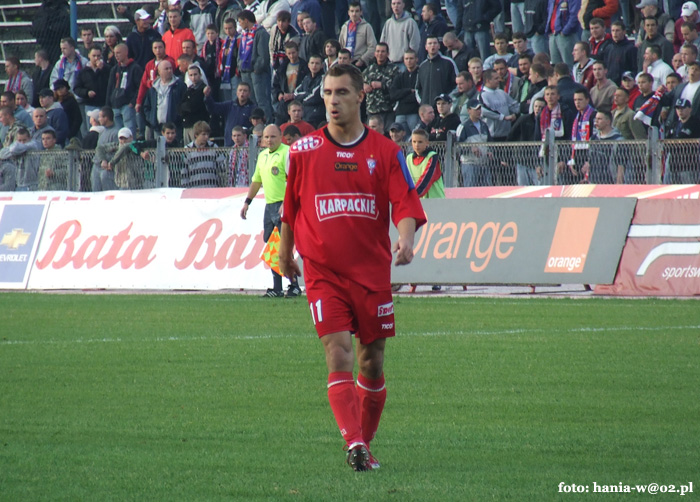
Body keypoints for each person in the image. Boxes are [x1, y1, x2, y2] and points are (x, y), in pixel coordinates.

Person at [277, 64, 426, 471]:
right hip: (323, 272)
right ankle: (354, 444)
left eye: (341, 92)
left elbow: (405, 203)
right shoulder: (303, 151)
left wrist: (406, 239)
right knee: (338, 352)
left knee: (371, 361)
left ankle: (364, 443)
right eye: (327, 93)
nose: (333, 100)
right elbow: (290, 208)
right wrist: (285, 254)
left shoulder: (386, 151)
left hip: (372, 273)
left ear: (360, 96)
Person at [240, 124, 301, 298]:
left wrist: (287, 202)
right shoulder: (262, 156)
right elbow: (256, 181)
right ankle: (277, 287)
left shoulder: (287, 153)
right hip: (270, 206)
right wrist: (247, 202)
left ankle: (294, 285)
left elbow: (293, 180)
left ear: (280, 137)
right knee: (272, 245)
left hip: (283, 204)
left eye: (273, 137)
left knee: (284, 245)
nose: (269, 140)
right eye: (266, 137)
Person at [106, 43, 144, 137]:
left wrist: (133, 102)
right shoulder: (115, 69)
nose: (116, 55)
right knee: (119, 133)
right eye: (115, 53)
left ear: (126, 53)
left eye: (118, 53)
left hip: (127, 105)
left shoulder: (135, 68)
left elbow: (140, 87)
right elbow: (110, 88)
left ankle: (130, 146)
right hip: (115, 106)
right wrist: (108, 104)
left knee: (129, 132)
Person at [143, 60, 188, 138]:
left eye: (170, 68)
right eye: (166, 69)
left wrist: (178, 117)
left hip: (174, 128)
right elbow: (147, 106)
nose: (169, 70)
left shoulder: (180, 86)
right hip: (158, 128)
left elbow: (185, 104)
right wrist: (152, 119)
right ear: (159, 71)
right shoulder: (153, 88)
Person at [581, 110, 626, 184]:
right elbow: (589, 158)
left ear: (608, 122)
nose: (596, 121)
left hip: (610, 182)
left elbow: (621, 165)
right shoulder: (593, 138)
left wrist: (618, 184)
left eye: (599, 119)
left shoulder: (618, 140)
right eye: (596, 119)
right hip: (593, 182)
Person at [204, 82, 255, 146]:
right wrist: (207, 97)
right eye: (240, 90)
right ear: (236, 92)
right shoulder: (229, 105)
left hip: (245, 146)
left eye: (245, 91)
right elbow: (213, 108)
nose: (242, 92)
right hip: (229, 145)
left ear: (249, 94)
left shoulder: (253, 108)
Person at [456, 98, 492, 186]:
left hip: (484, 163)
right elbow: (457, 147)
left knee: (486, 189)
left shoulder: (484, 125)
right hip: (469, 164)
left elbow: (490, 142)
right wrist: (470, 149)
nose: (479, 111)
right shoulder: (463, 126)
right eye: (476, 109)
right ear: (469, 110)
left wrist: (490, 151)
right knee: (470, 189)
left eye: (479, 109)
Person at [272, 41, 309, 125]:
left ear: (298, 52)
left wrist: (294, 95)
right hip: (284, 101)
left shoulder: (304, 67)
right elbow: (275, 85)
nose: (291, 56)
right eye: (289, 53)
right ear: (286, 54)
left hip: (299, 100)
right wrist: (279, 94)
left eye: (293, 53)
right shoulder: (282, 68)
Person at [362, 43, 398, 127]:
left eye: (382, 51)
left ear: (387, 53)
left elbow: (397, 87)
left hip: (387, 110)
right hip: (372, 110)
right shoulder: (368, 69)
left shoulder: (394, 69)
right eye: (378, 51)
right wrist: (363, 86)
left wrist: (382, 85)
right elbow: (357, 84)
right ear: (375, 53)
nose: (380, 54)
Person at [182, 120, 227, 187]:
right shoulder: (188, 149)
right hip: (194, 188)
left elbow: (222, 167)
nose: (206, 137)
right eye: (203, 134)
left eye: (207, 134)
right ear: (196, 135)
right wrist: (185, 188)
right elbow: (184, 172)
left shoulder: (214, 147)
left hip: (211, 188)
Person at [416, 35, 458, 107]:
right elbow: (418, 88)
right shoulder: (422, 66)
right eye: (430, 43)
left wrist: (445, 99)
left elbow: (457, 84)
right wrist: (422, 101)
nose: (432, 45)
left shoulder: (448, 62)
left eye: (435, 43)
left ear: (439, 46)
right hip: (427, 109)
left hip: (443, 107)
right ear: (426, 47)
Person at [665, 97, 700, 183]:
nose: (680, 111)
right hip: (674, 164)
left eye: (683, 108)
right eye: (678, 108)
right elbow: (667, 141)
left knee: (689, 188)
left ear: (690, 109)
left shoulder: (696, 123)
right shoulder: (674, 125)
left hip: (689, 165)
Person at [75, 46, 111, 124]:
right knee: (92, 126)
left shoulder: (107, 69)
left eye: (98, 56)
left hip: (104, 103)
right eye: (94, 56)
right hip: (90, 103)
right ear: (89, 55)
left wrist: (102, 70)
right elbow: (77, 88)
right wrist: (86, 92)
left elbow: (110, 83)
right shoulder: (83, 71)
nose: (96, 58)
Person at [406, 127, 445, 198]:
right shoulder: (409, 158)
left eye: (420, 142)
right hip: (418, 199)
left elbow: (427, 179)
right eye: (414, 142)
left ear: (427, 143)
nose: (417, 145)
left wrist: (413, 195)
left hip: (435, 200)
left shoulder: (432, 157)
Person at [338, 2, 377, 69]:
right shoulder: (345, 27)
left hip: (359, 62)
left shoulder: (367, 27)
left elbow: (373, 47)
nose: (354, 14)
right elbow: (340, 45)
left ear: (361, 12)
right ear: (348, 13)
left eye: (357, 11)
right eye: (352, 11)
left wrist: (362, 60)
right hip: (345, 62)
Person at [380, 0, 420, 65]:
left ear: (403, 5)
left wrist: (408, 59)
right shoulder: (388, 23)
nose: (396, 6)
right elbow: (383, 43)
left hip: (405, 63)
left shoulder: (410, 22)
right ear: (391, 6)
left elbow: (414, 44)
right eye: (393, 4)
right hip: (389, 63)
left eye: (398, 3)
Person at [390, 50, 421, 132]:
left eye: (411, 58)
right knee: (399, 138)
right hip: (400, 113)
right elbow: (393, 94)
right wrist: (409, 91)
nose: (409, 61)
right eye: (406, 58)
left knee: (415, 136)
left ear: (416, 59)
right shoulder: (399, 76)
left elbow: (419, 94)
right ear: (403, 60)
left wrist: (402, 96)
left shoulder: (421, 74)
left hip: (415, 112)